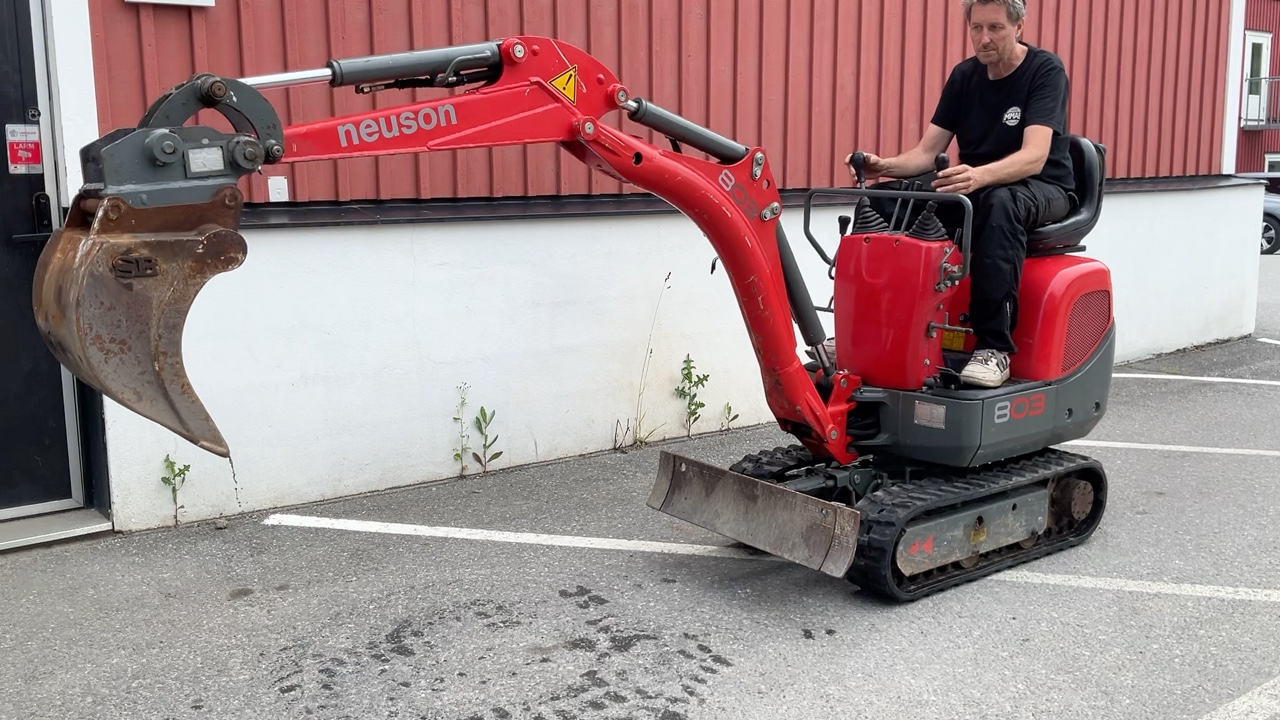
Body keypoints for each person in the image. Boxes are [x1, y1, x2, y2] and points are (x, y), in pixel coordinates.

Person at [846, 0, 1074, 388]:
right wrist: (883, 166)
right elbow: (924, 153)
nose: (984, 38)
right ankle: (868, 332)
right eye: (976, 28)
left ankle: (994, 348)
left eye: (995, 28)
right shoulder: (964, 76)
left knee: (1000, 204)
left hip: (1042, 186)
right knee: (884, 200)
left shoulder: (1045, 71)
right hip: (975, 184)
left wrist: (979, 176)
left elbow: (1034, 157)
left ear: (1019, 27)